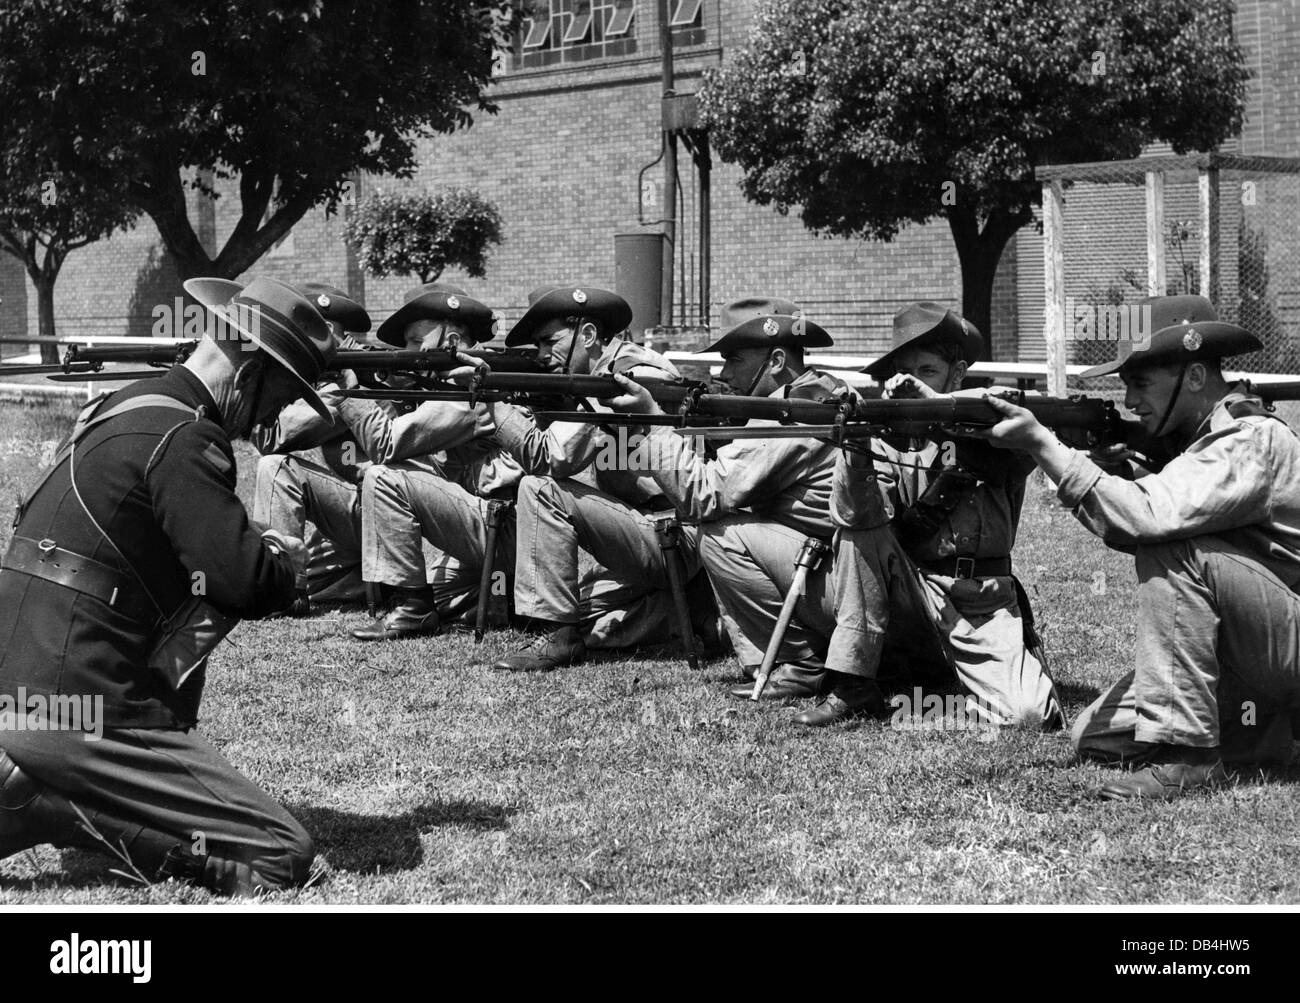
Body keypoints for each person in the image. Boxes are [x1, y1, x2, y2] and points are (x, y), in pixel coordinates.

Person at [0, 276, 333, 894]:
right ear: (250, 368)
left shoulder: (126, 405)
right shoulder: (189, 436)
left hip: (21, 687)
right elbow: (239, 583)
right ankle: (52, 804)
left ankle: (33, 788)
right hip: (85, 705)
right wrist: (283, 563)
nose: (269, 417)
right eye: (279, 396)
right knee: (281, 854)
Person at [975, 294, 1300, 799]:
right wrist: (1118, 469)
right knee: (1094, 737)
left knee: (1172, 548)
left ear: (1194, 377)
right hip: (1254, 646)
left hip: (1285, 639)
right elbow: (1174, 506)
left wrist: (1043, 445)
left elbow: (1146, 520)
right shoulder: (1198, 441)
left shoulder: (1248, 438)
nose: (1129, 401)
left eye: (1141, 383)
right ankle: (1262, 729)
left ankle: (1187, 755)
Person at [804, 302, 1062, 728]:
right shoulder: (890, 436)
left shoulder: (998, 425)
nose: (910, 384)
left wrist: (938, 409)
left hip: (984, 603)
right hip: (917, 593)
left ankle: (932, 678)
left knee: (1030, 714)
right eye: (902, 373)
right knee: (858, 534)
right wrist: (859, 443)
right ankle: (853, 683)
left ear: (957, 374)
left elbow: (1023, 440)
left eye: (926, 371)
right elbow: (855, 516)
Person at [605, 297, 851, 700]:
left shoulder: (794, 412)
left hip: (835, 579)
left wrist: (653, 421)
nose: (724, 373)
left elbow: (704, 495)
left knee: (717, 532)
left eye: (734, 360)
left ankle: (800, 662)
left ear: (774, 361)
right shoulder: (819, 392)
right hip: (835, 567)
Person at [487, 284, 711, 673]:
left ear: (588, 335)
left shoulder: (626, 378)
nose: (542, 355)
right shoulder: (604, 376)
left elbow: (547, 457)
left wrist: (491, 396)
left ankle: (560, 640)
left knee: (539, 489)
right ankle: (686, 614)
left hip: (677, 537)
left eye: (548, 342)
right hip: (643, 535)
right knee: (576, 611)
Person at [334, 283, 518, 641]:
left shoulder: (470, 389)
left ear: (451, 339)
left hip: (507, 527)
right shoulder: (448, 386)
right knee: (445, 599)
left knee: (383, 476)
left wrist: (346, 388)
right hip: (489, 522)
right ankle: (502, 597)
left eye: (417, 342)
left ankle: (414, 608)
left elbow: (385, 443)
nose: (409, 352)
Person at [252, 282, 374, 614]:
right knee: (296, 570)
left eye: (318, 335)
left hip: (379, 510)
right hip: (355, 514)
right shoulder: (329, 379)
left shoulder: (355, 380)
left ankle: (287, 592)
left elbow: (272, 440)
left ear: (340, 338)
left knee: (275, 468)